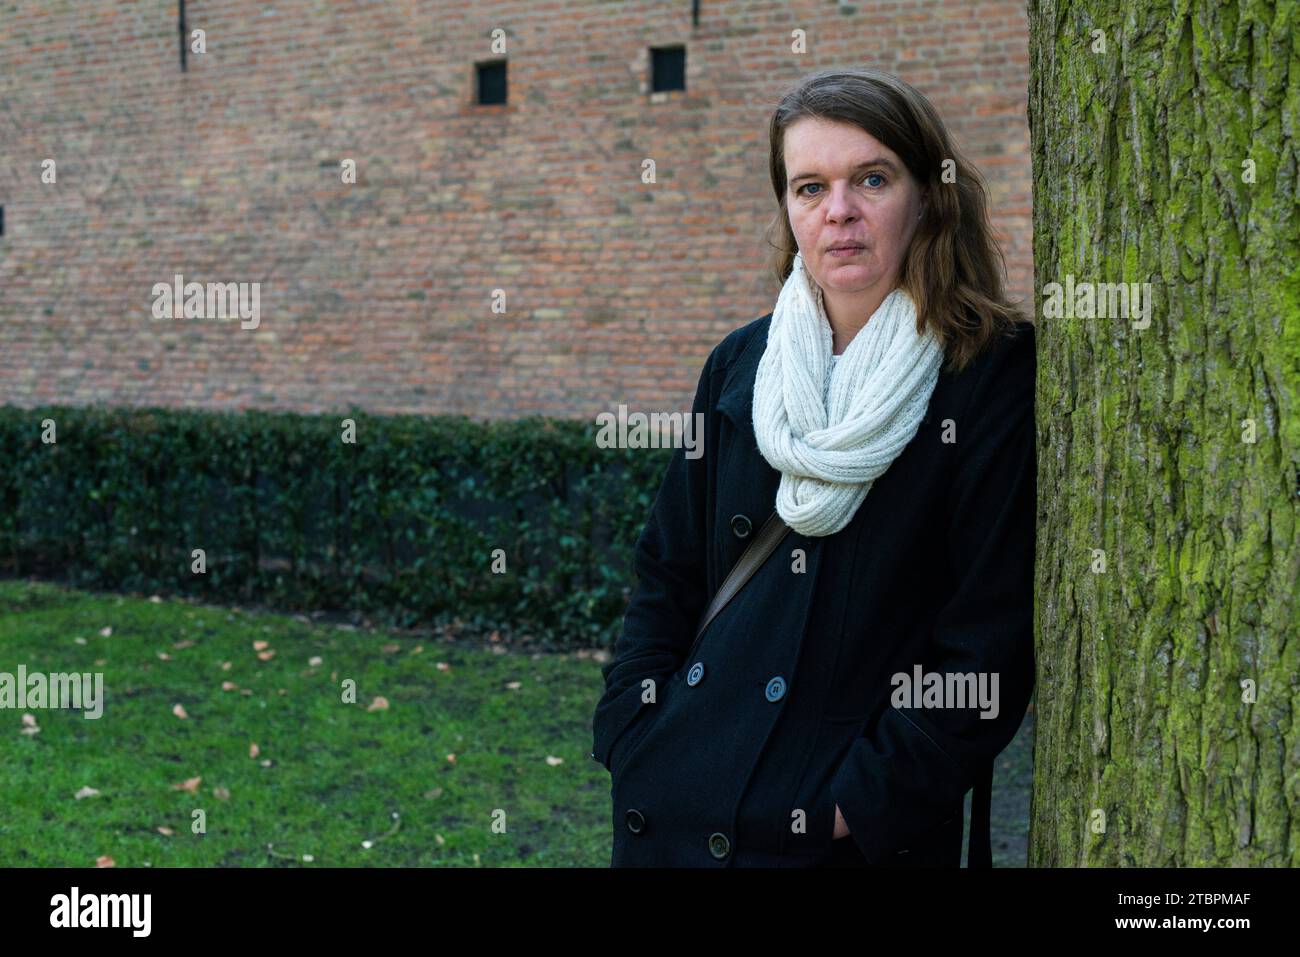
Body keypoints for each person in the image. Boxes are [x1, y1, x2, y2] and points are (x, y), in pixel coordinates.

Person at [590, 67, 1036, 868]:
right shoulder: (742, 364)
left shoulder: (987, 373)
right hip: (679, 790)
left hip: (840, 830)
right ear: (788, 208)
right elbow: (668, 571)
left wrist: (856, 806)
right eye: (809, 187)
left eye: (872, 178)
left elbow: (989, 640)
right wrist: (633, 724)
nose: (840, 212)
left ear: (927, 194)